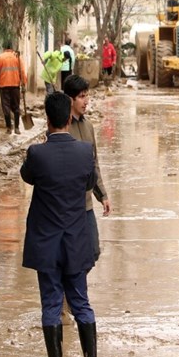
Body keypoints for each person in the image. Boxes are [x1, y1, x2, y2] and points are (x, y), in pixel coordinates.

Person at [20, 91, 98, 357]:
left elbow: (26, 176)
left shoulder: (36, 154)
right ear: (68, 117)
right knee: (81, 303)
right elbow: (89, 184)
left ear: (47, 119)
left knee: (51, 305)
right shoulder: (85, 151)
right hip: (76, 241)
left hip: (47, 244)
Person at [63, 75, 111, 263]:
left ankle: (74, 287)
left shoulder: (88, 126)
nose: (86, 101)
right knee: (70, 255)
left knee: (92, 252)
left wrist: (103, 196)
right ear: (71, 99)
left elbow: (94, 164)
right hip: (67, 206)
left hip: (87, 203)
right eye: (82, 97)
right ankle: (72, 290)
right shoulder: (61, 127)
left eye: (87, 96)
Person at [0, 40, 27, 135]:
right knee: (16, 107)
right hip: (15, 86)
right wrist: (24, 84)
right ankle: (17, 128)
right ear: (11, 47)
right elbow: (23, 71)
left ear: (4, 48)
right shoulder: (17, 57)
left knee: (6, 107)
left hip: (4, 86)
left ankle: (8, 128)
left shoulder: (0, 57)